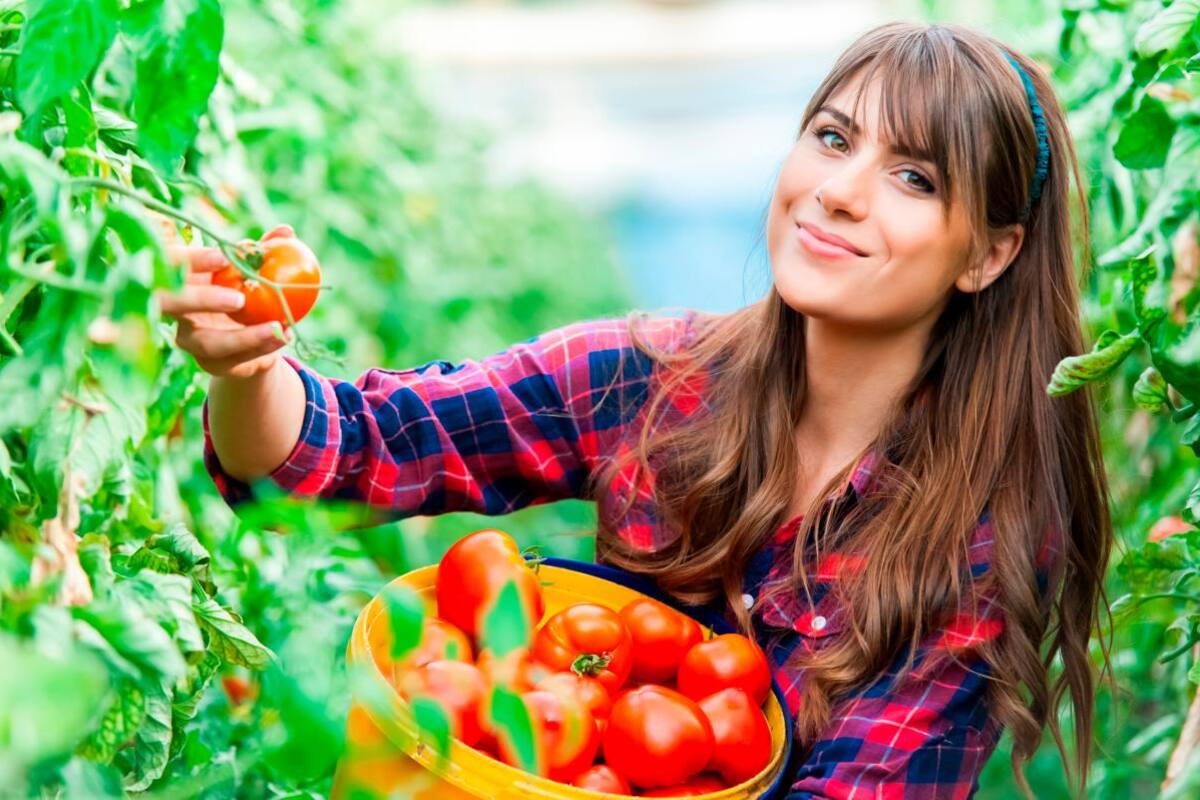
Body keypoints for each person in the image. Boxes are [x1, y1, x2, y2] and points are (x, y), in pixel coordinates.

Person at [159, 20, 1111, 800]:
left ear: (988, 255)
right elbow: (342, 455)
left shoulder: (978, 533)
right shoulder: (652, 378)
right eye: (833, 138)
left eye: (914, 178)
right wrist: (250, 365)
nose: (840, 193)